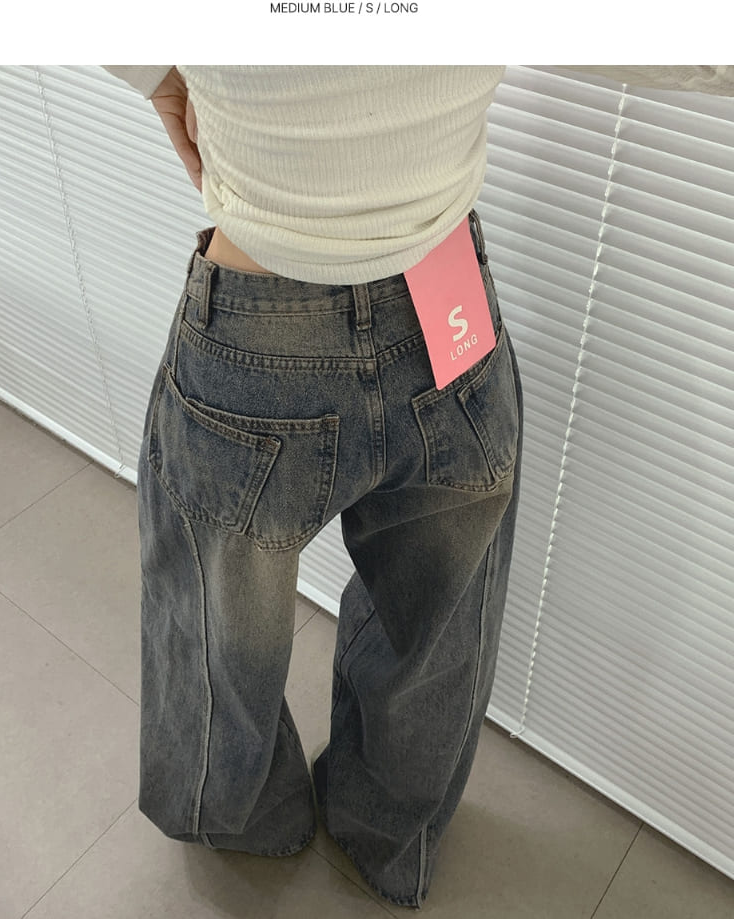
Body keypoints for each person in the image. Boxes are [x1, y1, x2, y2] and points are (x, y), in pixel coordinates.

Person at [103, 65, 734, 908]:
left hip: (259, 312)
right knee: (437, 634)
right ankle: (388, 836)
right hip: (444, 309)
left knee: (217, 635)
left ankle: (243, 819)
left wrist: (157, 74)